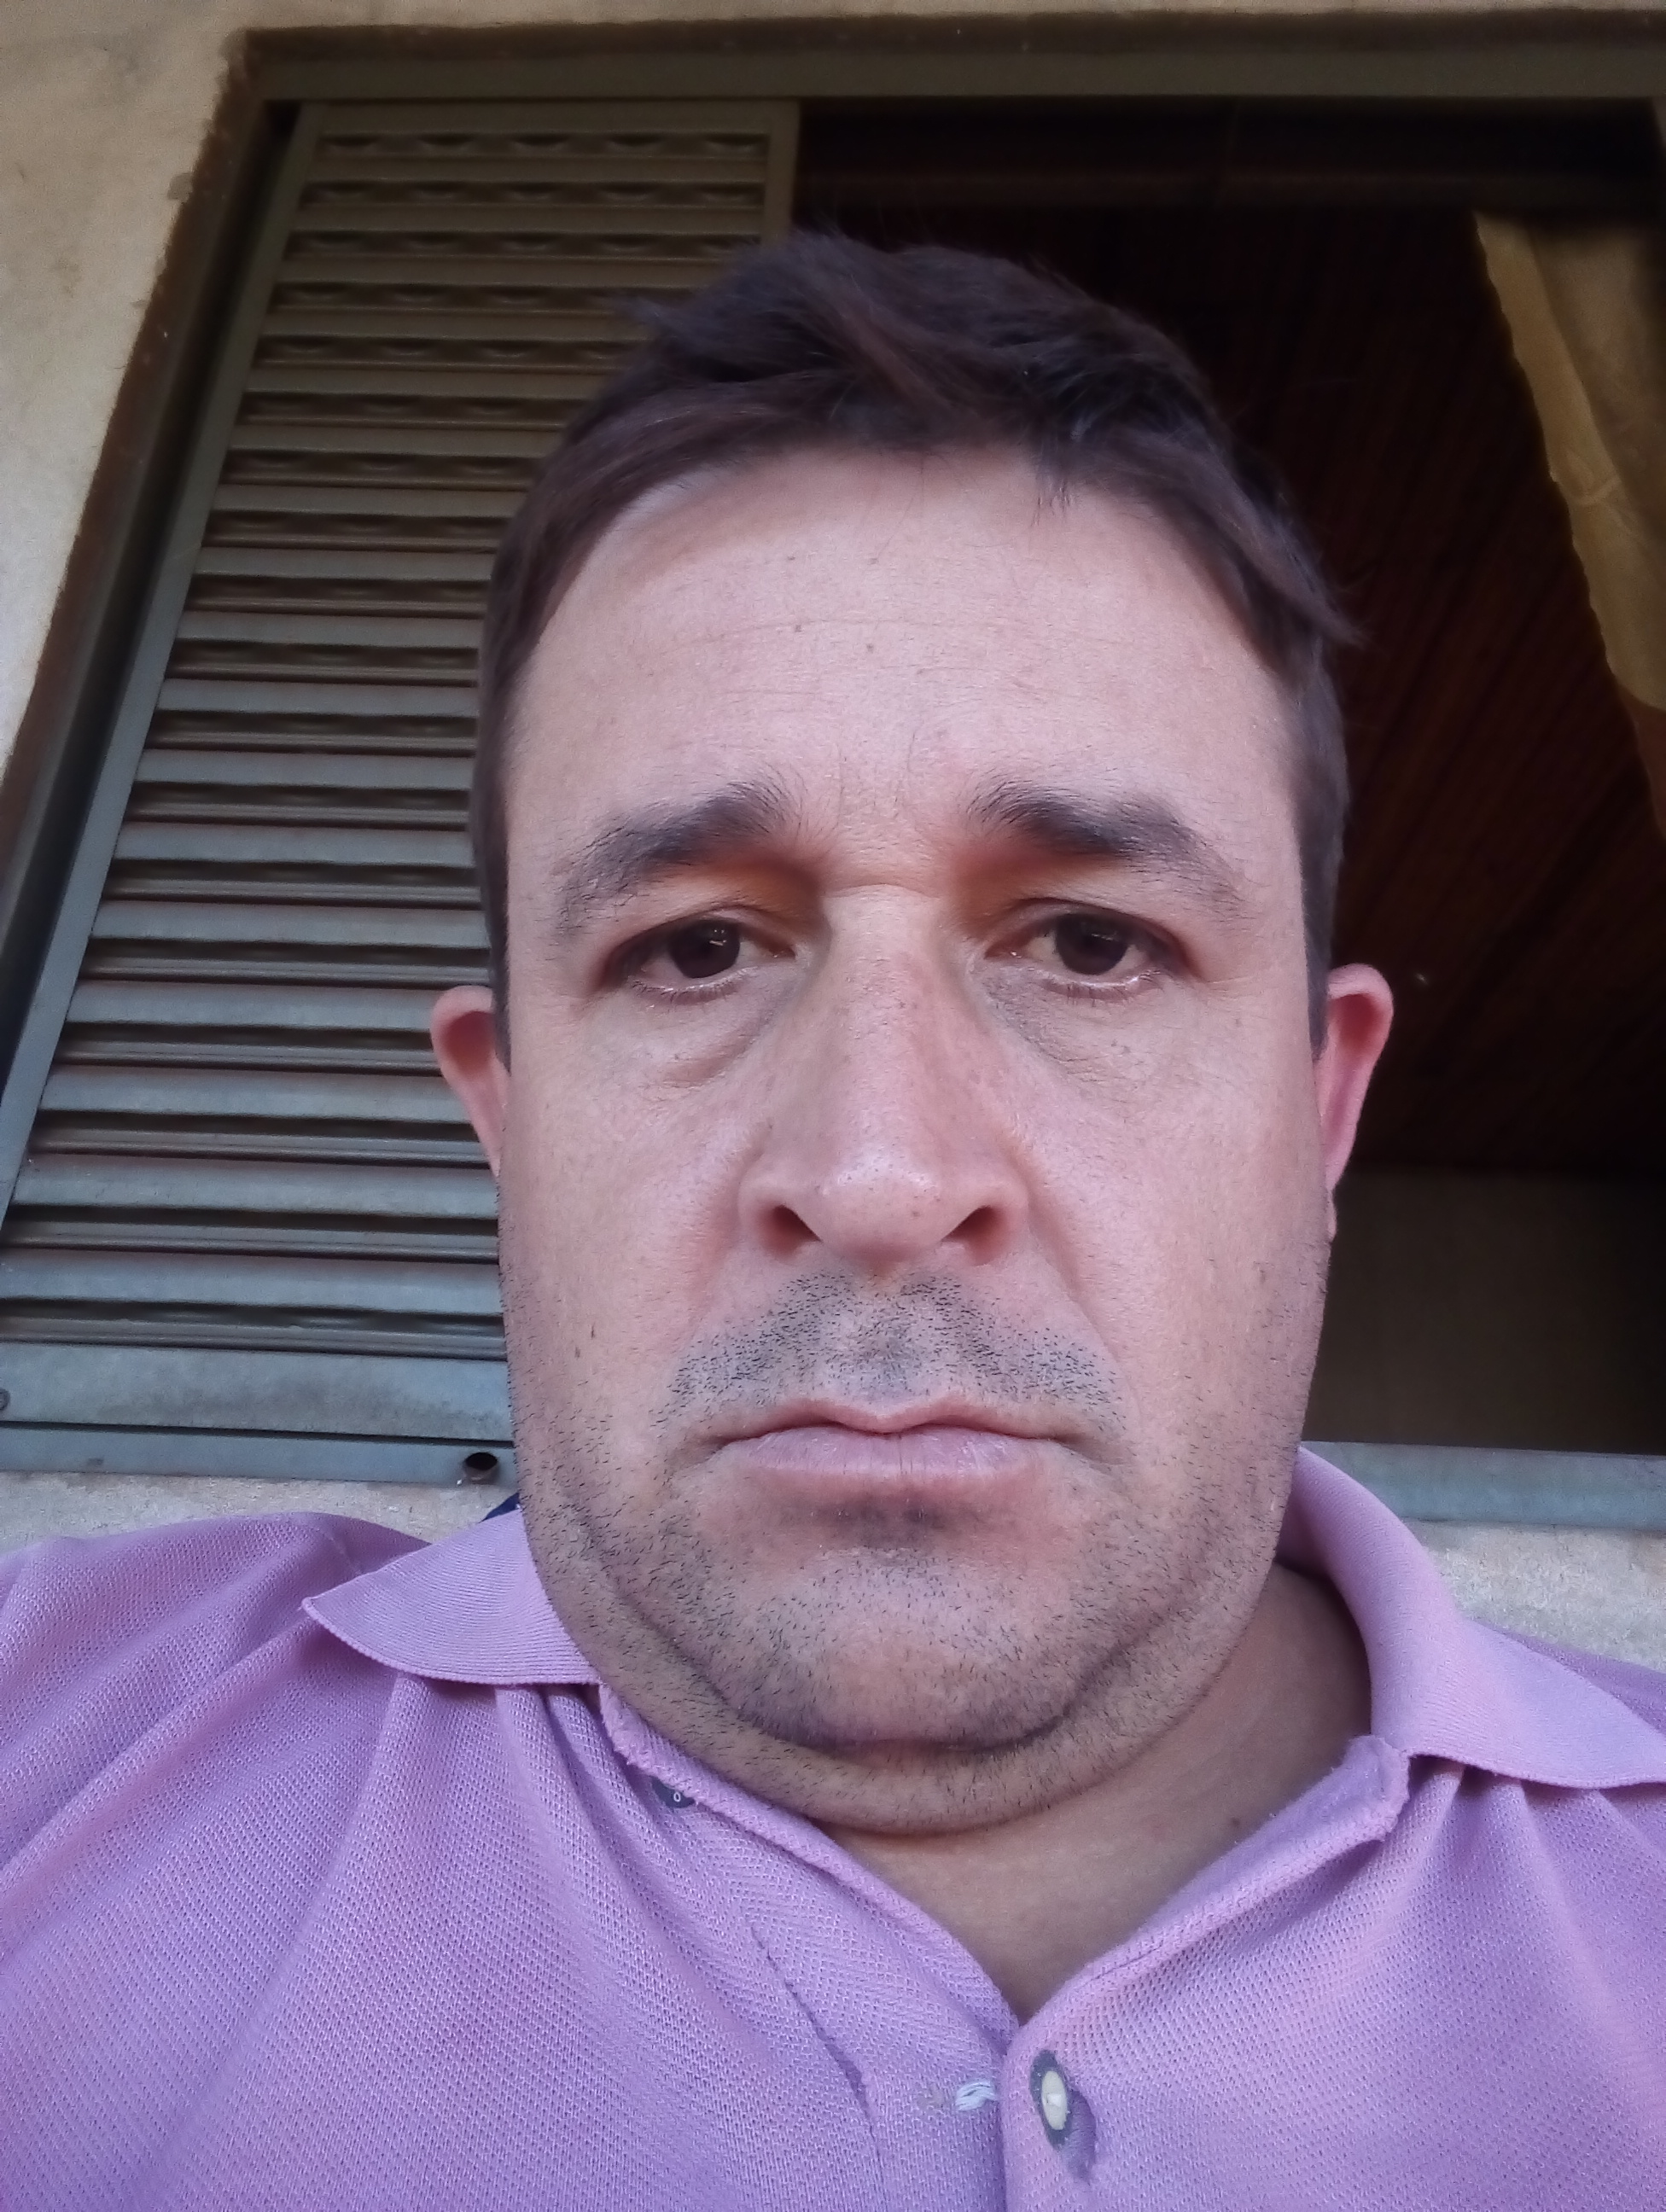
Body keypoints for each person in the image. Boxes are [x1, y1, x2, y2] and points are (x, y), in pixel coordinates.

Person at [2, 236, 1662, 2212]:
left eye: (1091, 944)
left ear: (1321, 1103)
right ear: (505, 1115)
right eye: (695, 949)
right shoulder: (46, 1743)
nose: (878, 1178)